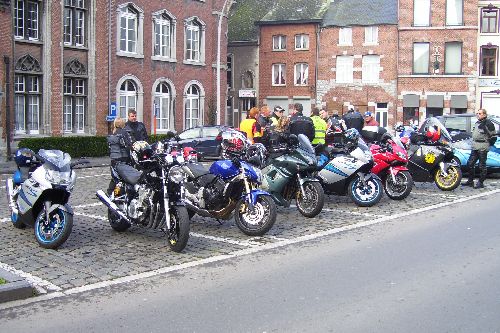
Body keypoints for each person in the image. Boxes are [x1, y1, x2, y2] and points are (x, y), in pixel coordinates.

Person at [462, 108, 497, 189]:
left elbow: (493, 136)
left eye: (480, 113)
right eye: (477, 113)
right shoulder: (478, 123)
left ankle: (480, 182)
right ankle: (470, 181)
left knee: (482, 166)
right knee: (470, 164)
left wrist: (488, 144)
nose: (478, 115)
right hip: (475, 146)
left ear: (484, 114)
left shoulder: (488, 123)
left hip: (483, 147)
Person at [107, 117, 136, 194]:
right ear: (122, 124)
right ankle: (121, 193)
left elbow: (109, 148)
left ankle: (110, 192)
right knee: (126, 178)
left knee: (115, 177)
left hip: (114, 159)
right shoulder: (124, 133)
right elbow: (129, 145)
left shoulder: (112, 134)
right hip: (123, 158)